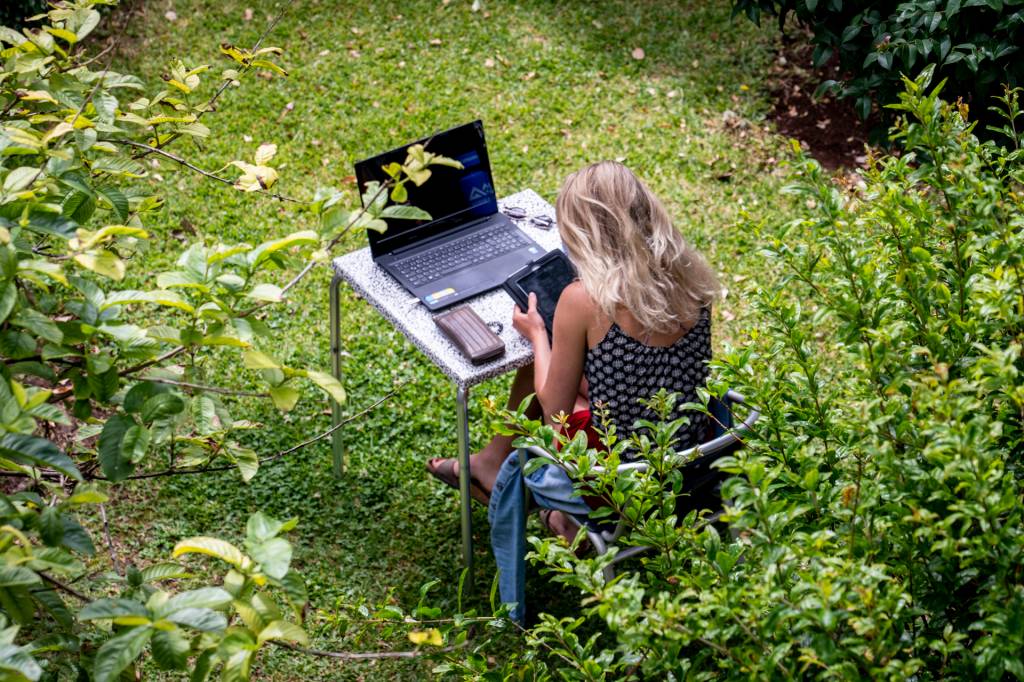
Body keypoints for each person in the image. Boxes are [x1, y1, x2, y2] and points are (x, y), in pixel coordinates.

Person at [427, 161, 719, 620]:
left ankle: (555, 514)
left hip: (616, 481)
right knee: (553, 371)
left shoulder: (585, 299)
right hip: (689, 464)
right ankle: (488, 467)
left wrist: (539, 334)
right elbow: (658, 370)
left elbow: (555, 410)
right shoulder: (690, 276)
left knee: (536, 372)